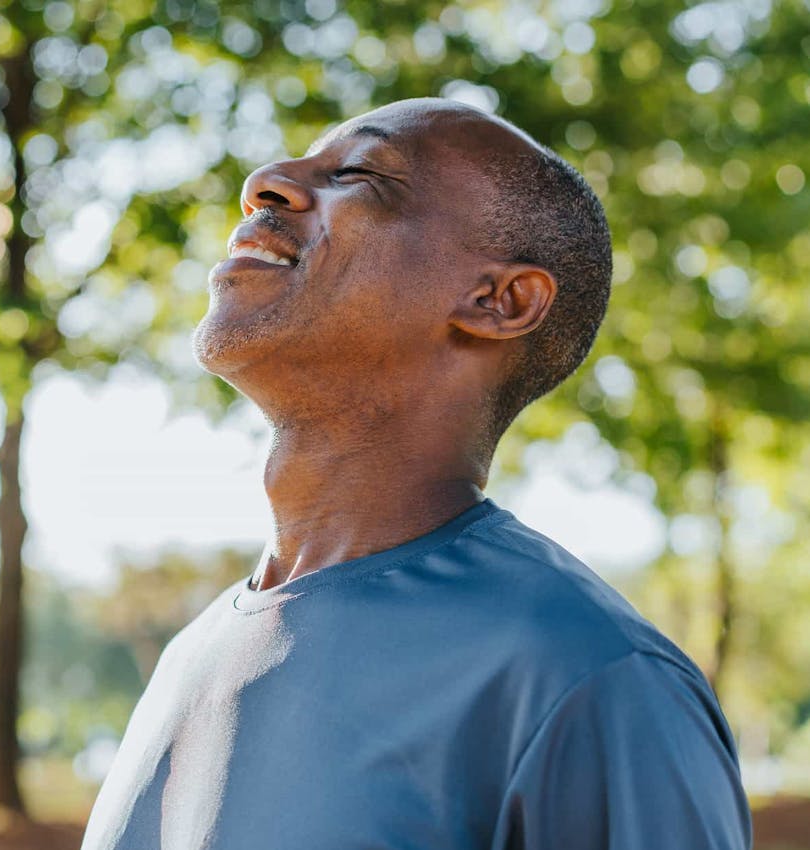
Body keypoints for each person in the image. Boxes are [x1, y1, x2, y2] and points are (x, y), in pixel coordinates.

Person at [81, 98, 751, 849]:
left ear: (498, 300)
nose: (264, 182)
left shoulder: (593, 679)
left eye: (359, 175)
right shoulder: (190, 656)